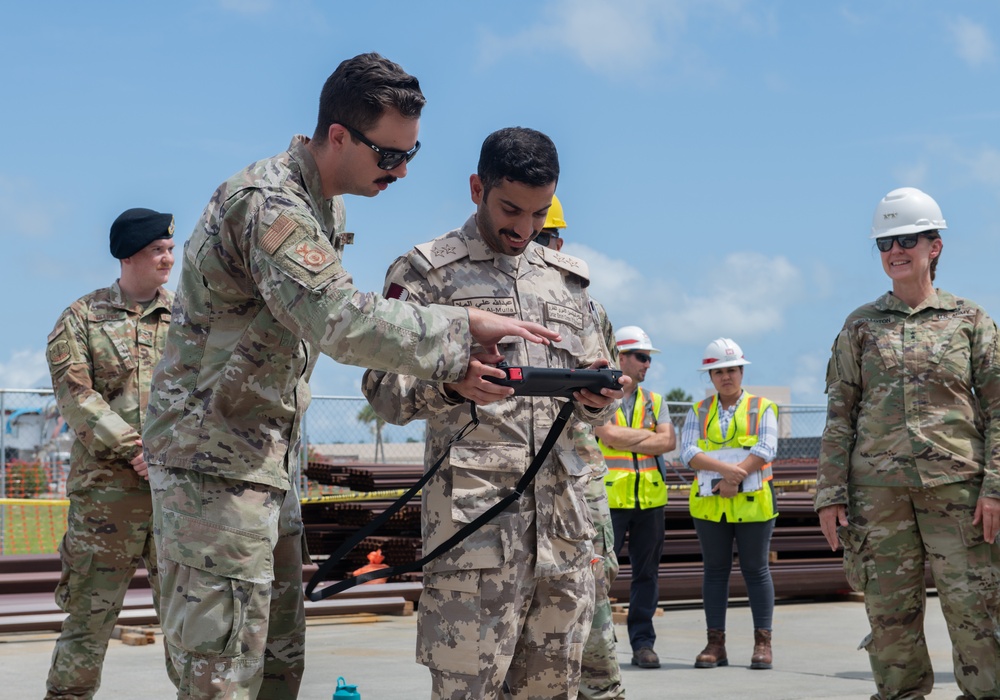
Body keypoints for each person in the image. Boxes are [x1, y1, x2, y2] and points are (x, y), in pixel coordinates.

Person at [142, 55, 558, 700]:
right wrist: (458, 329)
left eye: (410, 152)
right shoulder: (270, 206)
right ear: (339, 136)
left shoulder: (323, 208)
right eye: (389, 155)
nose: (402, 170)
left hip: (260, 461)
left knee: (277, 666)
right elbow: (337, 318)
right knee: (221, 676)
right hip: (212, 469)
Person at [361, 127, 624, 700]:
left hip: (563, 538)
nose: (524, 229)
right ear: (477, 187)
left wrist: (596, 399)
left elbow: (593, 411)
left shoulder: (569, 282)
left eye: (537, 213)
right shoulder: (426, 274)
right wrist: (452, 386)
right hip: (476, 539)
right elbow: (383, 389)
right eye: (510, 209)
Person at [816, 187, 1000, 700]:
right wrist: (829, 494)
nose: (894, 251)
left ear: (933, 246)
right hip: (878, 499)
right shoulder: (861, 325)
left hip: (959, 494)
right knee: (890, 627)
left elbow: (999, 408)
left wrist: (996, 487)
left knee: (979, 620)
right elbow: (839, 414)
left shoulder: (971, 321)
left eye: (906, 239)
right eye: (884, 243)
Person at [44, 208, 177, 699]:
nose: (167, 257)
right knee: (86, 626)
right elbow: (77, 397)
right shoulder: (80, 319)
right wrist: (135, 450)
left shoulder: (187, 320)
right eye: (156, 250)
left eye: (169, 249)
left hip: (174, 502)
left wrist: (167, 454)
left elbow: (204, 394)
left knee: (189, 631)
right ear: (127, 256)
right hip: (106, 505)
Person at [538, 195, 624, 700]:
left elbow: (607, 404)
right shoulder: (479, 301)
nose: (534, 248)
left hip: (577, 485)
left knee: (592, 629)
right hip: (506, 486)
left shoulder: (588, 310)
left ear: (559, 243)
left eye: (544, 238)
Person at [680, 338, 778, 671]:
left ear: (741, 371)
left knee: (756, 570)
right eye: (719, 371)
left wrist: (733, 479)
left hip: (753, 505)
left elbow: (766, 448)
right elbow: (689, 452)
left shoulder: (762, 407)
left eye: (732, 369)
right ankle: (715, 644)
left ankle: (763, 644)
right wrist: (727, 474)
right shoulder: (699, 410)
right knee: (715, 572)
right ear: (710, 376)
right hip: (711, 506)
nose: (726, 377)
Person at [595, 326, 676, 669]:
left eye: (648, 358)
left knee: (647, 575)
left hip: (650, 502)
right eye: (642, 357)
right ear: (621, 358)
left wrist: (625, 438)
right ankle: (599, 643)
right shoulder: (599, 396)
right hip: (609, 501)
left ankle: (643, 644)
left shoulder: (655, 401)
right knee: (599, 574)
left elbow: (668, 442)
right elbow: (607, 434)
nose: (647, 364)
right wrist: (646, 436)